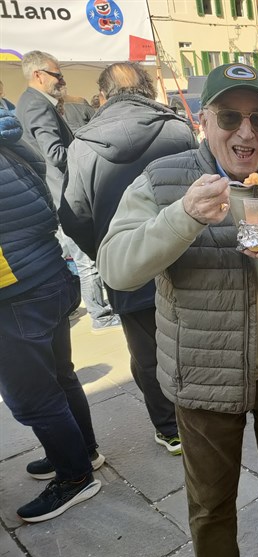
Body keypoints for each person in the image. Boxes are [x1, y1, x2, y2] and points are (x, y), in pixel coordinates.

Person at [97, 63, 258, 557]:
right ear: (204, 120)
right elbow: (115, 267)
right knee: (210, 497)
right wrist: (182, 217)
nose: (246, 132)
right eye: (230, 117)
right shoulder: (163, 182)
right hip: (205, 373)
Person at [59, 62, 198, 455]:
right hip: (183, 260)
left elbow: (73, 216)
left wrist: (107, 255)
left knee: (147, 354)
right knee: (190, 342)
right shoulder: (177, 129)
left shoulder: (82, 144)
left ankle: (171, 428)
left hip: (129, 274)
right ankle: (199, 414)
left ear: (103, 97)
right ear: (149, 89)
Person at [0, 109, 105, 523]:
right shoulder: (8, 135)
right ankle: (84, 453)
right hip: (47, 273)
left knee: (34, 396)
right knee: (61, 376)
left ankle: (75, 476)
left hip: (15, 290)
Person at [16, 50, 120, 334]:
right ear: (38, 75)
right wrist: (86, 151)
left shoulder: (34, 102)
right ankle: (100, 314)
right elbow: (55, 154)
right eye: (56, 74)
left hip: (56, 191)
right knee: (86, 260)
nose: (62, 79)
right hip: (62, 193)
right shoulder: (37, 104)